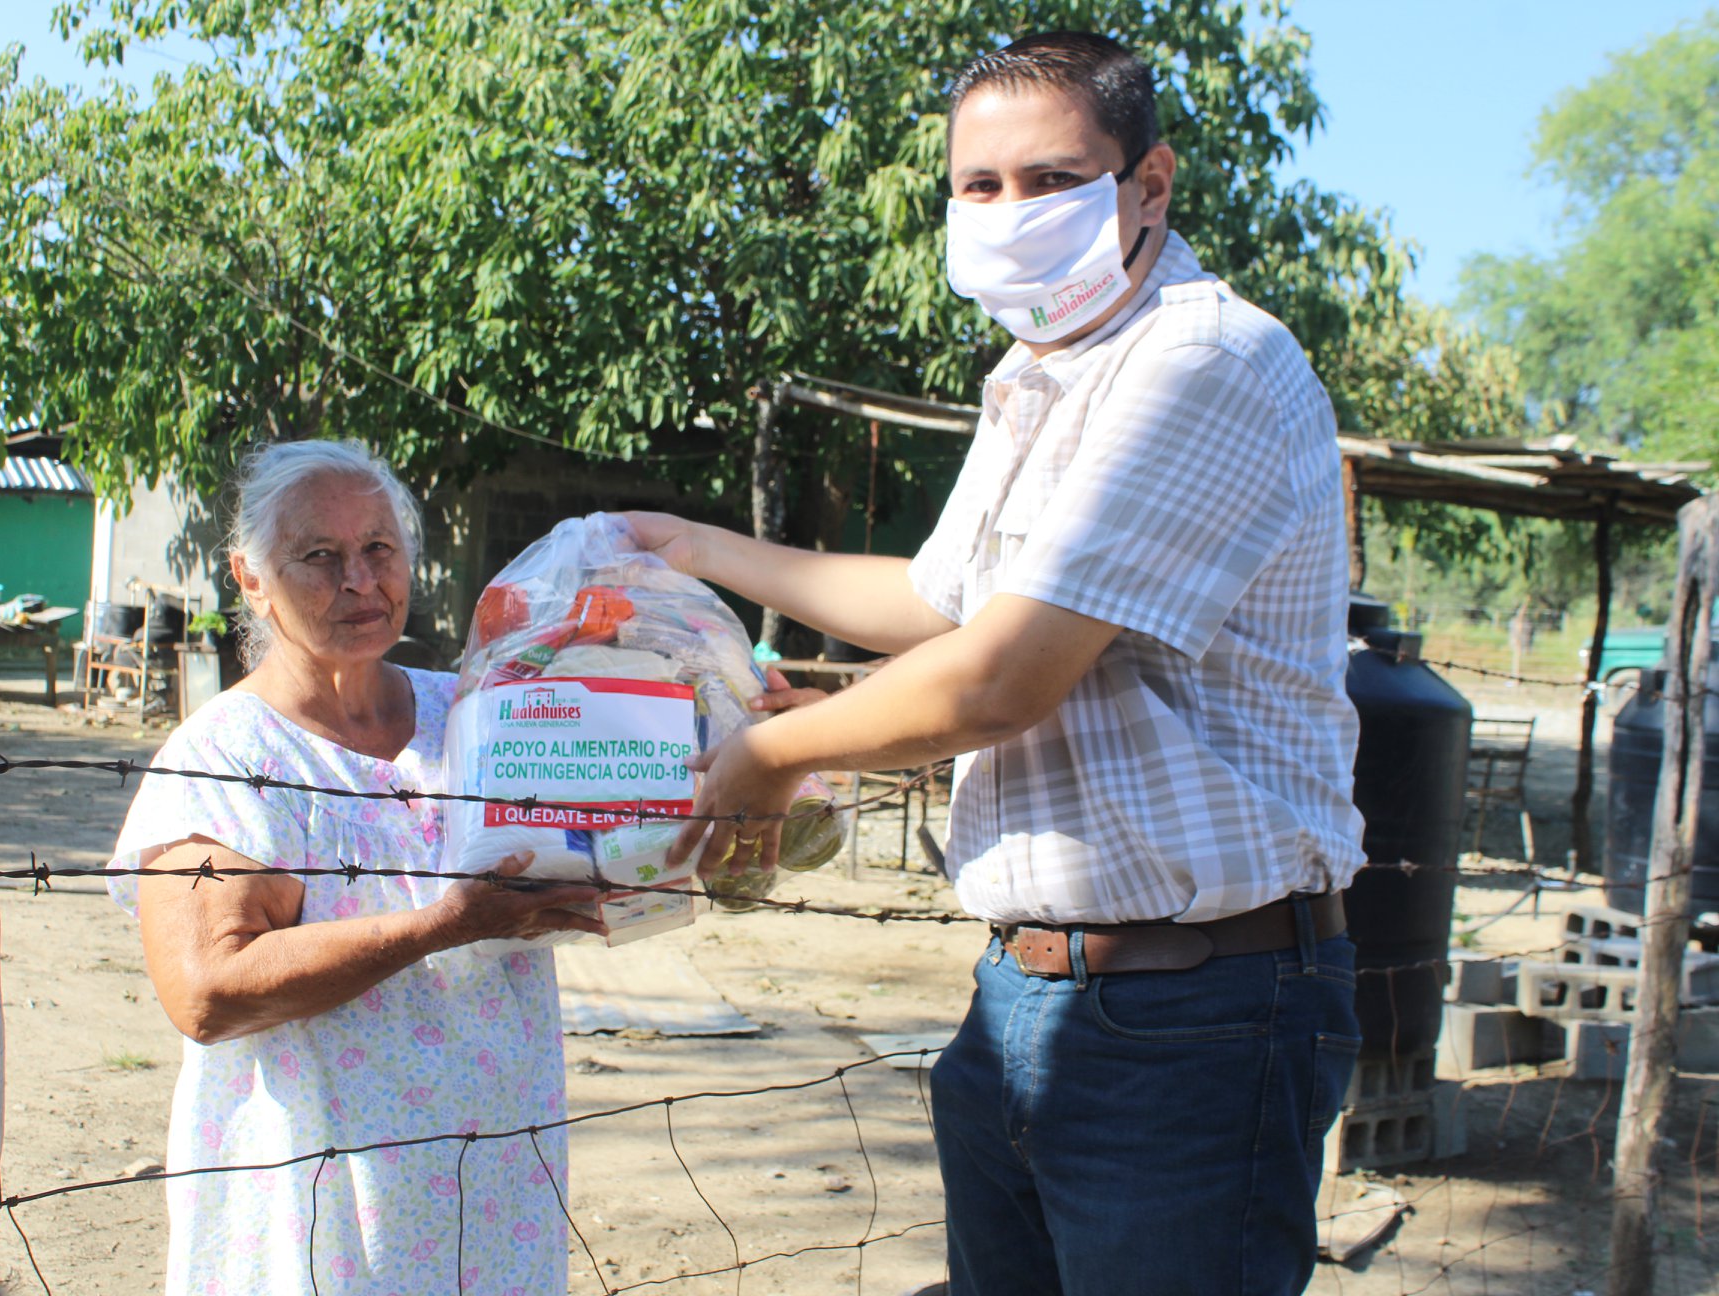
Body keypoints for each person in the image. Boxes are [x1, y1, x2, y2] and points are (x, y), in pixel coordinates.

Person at [627, 30, 1367, 1296]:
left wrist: (768, 755)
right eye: (980, 185)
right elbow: (940, 604)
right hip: (1028, 990)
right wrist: (691, 546)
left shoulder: (1199, 361)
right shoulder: (1041, 374)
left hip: (1196, 1010)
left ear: (1149, 183)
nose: (1009, 210)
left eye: (1052, 179)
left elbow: (999, 676)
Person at [109, 440, 604, 1296]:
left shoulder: (473, 711)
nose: (361, 581)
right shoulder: (224, 758)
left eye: (379, 547)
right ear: (252, 578)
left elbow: (606, 828)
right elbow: (206, 990)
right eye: (320, 556)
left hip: (494, 1188)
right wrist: (443, 927)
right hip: (324, 1204)